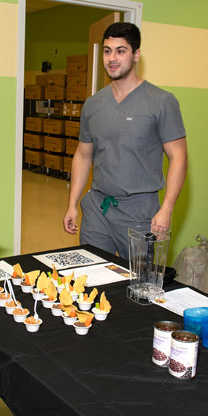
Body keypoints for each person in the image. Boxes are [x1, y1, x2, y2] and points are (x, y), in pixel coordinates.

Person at [63, 22, 187, 259]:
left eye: (120, 51)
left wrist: (167, 209)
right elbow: (83, 155)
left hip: (141, 214)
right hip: (98, 209)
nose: (112, 58)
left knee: (140, 287)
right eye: (107, 51)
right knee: (91, 279)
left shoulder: (161, 102)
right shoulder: (93, 105)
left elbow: (179, 157)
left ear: (136, 55)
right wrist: (72, 203)